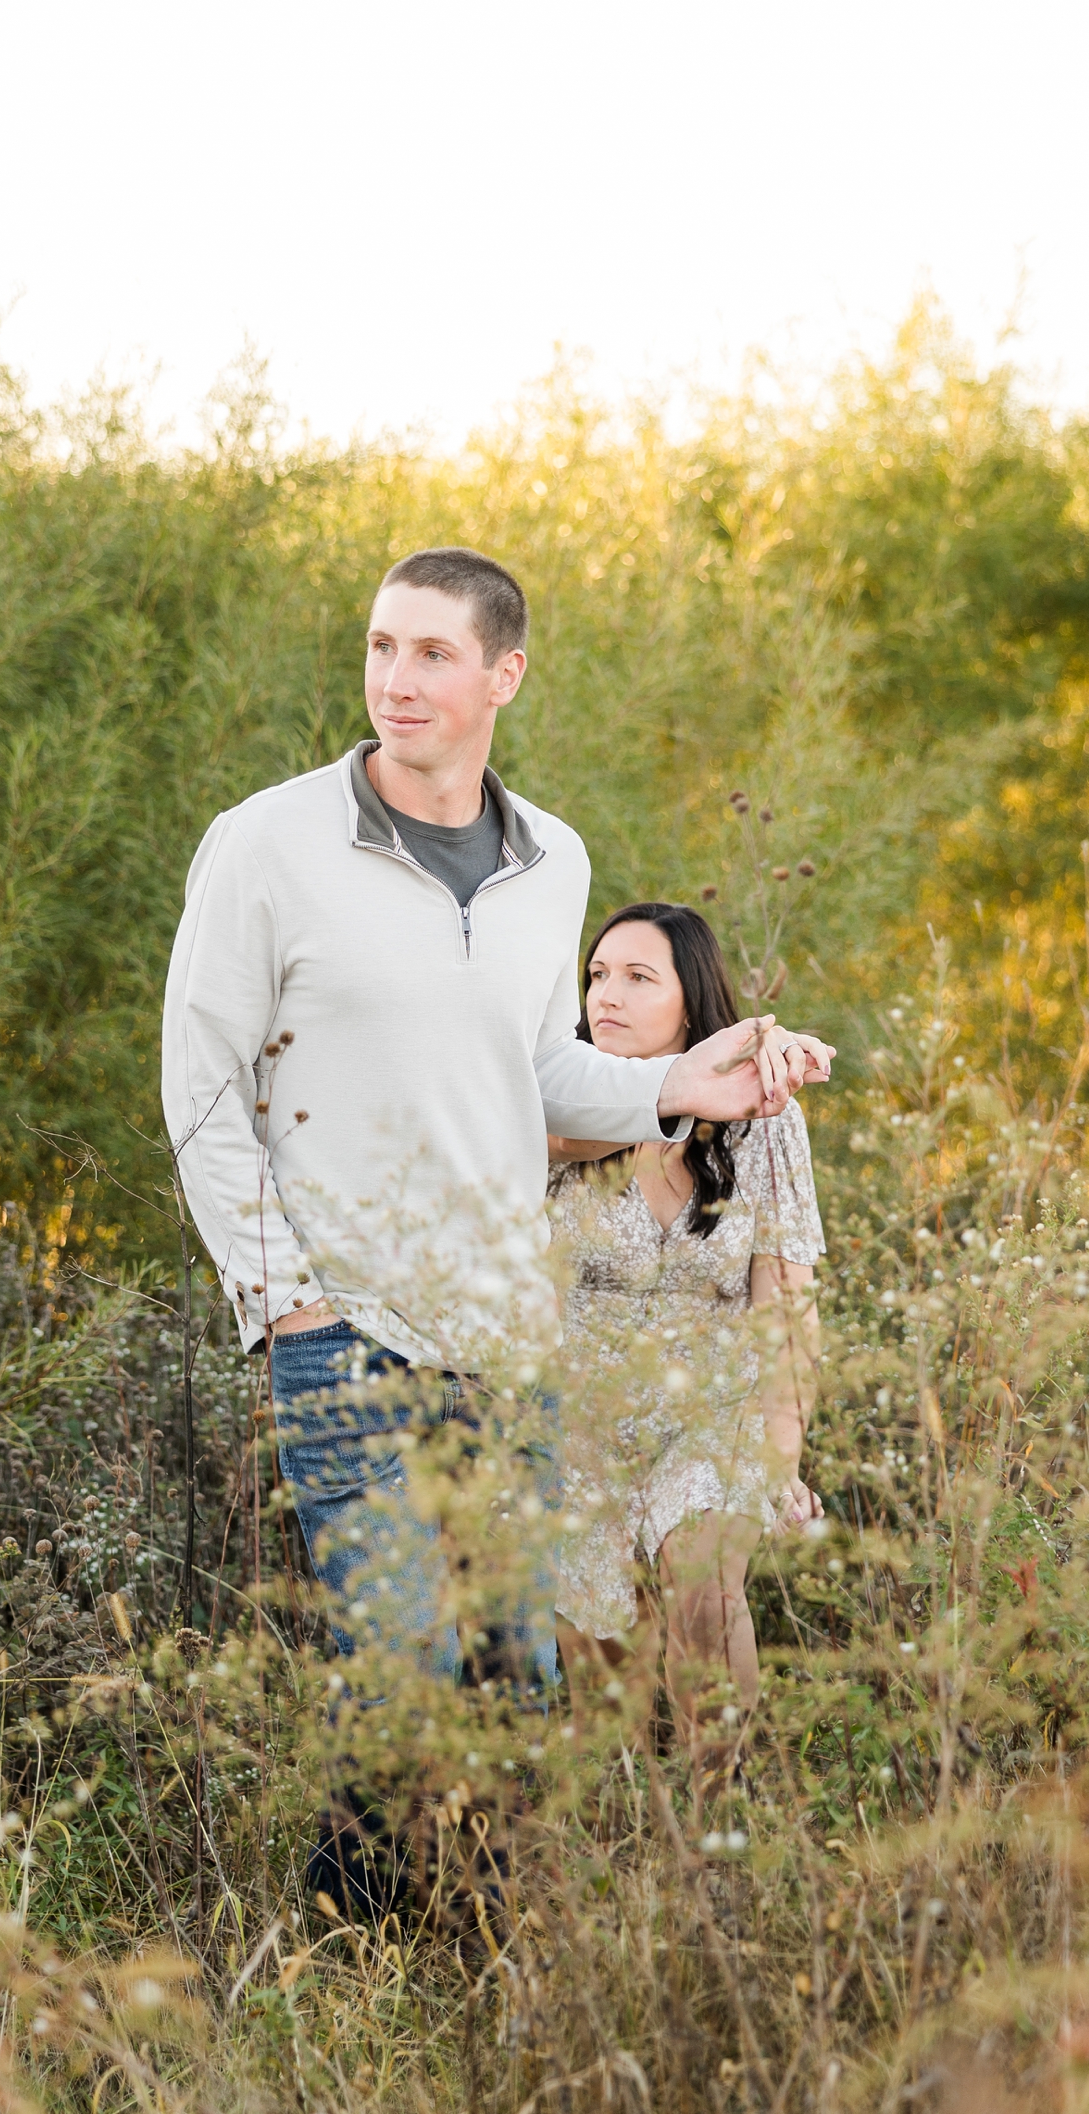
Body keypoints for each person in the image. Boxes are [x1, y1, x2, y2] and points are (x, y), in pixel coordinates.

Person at [162, 547, 835, 1702]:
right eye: (382, 646)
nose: (396, 680)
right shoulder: (268, 842)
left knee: (513, 1693)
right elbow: (203, 1086)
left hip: (508, 1349)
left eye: (433, 653)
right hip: (347, 1338)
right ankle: (367, 1896)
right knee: (407, 1684)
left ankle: (439, 1896)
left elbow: (540, 1074)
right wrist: (288, 1306)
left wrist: (689, 1083)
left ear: (504, 675)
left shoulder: (551, 860)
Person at [547, 902, 825, 1792]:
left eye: (638, 977)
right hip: (576, 1420)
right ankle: (622, 1859)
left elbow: (786, 1302)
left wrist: (781, 1458)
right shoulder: (548, 1112)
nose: (607, 996)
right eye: (596, 976)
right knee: (602, 1676)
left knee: (704, 1594)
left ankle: (721, 1821)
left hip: (714, 1410)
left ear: (691, 1005)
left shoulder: (763, 1119)